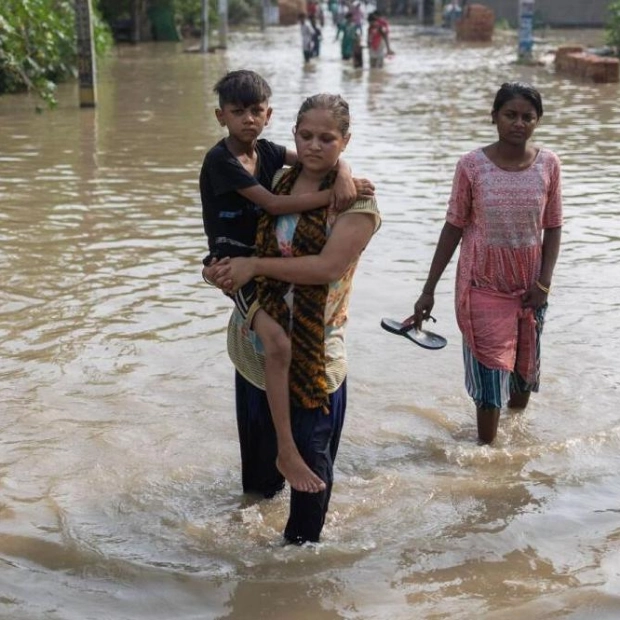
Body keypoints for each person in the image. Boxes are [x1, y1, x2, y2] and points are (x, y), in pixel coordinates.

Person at [208, 93, 381, 544]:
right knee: (257, 490)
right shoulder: (275, 183)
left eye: (328, 138)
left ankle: (300, 580)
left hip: (314, 357)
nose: (315, 146)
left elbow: (326, 269)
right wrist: (221, 270)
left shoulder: (356, 206)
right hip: (256, 347)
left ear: (345, 141)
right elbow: (234, 242)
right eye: (306, 135)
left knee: (308, 511)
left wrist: (256, 267)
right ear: (293, 135)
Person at [405, 82, 563, 445]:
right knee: (490, 379)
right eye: (510, 115)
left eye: (527, 117)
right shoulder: (472, 166)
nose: (518, 123)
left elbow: (553, 227)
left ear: (538, 121)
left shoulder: (549, 164)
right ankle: (486, 457)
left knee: (524, 374)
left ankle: (514, 451)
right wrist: (428, 290)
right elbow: (453, 227)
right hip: (483, 286)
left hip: (530, 289)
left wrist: (543, 285)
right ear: (494, 118)